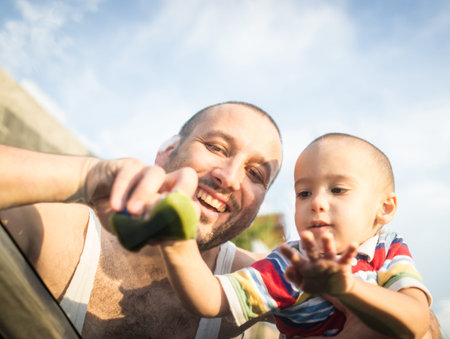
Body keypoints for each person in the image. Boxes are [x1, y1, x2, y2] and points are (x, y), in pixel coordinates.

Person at [0, 101, 283, 338]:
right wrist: (88, 174)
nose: (230, 177)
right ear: (166, 153)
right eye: (216, 148)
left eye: (255, 174)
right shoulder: (66, 233)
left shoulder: (248, 279)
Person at [158, 132, 436, 338]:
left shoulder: (387, 249)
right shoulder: (291, 265)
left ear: (384, 208)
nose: (316, 202)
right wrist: (176, 242)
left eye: (337, 190)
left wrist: (347, 288)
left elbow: (416, 320)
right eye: (304, 193)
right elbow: (210, 298)